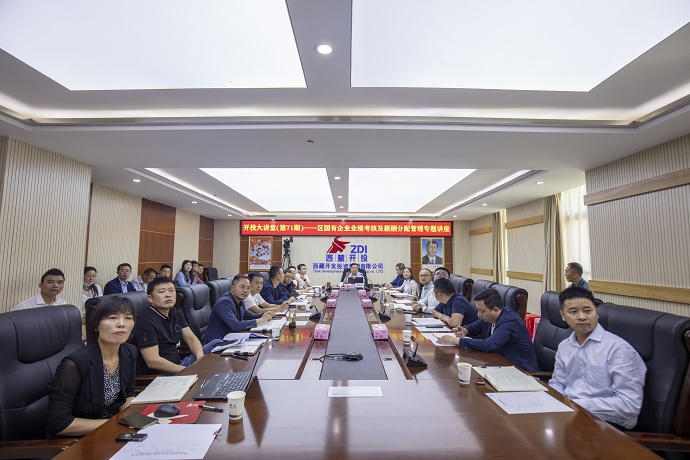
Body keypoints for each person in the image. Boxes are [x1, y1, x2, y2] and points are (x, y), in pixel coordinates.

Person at [549, 287, 646, 430]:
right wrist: (557, 402)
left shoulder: (618, 349)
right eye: (573, 312)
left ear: (596, 312)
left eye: (588, 311)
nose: (582, 317)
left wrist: (573, 404)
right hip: (571, 416)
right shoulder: (565, 346)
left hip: (608, 424)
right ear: (563, 315)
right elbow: (558, 382)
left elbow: (629, 405)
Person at [46, 296, 137, 436]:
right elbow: (58, 423)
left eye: (128, 318)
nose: (121, 324)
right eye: (112, 317)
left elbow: (128, 393)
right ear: (96, 326)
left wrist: (136, 421)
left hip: (114, 429)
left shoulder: (129, 352)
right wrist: (115, 424)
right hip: (81, 438)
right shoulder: (74, 365)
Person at [439, 289, 539, 371]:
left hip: (522, 371)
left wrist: (458, 341)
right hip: (501, 364)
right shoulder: (492, 316)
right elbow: (476, 325)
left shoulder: (509, 322)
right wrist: (465, 330)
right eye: (478, 310)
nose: (479, 315)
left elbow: (489, 345)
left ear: (495, 310)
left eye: (481, 311)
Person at [134, 277, 218, 375]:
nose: (168, 295)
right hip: (164, 373)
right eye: (162, 292)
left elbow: (191, 339)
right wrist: (188, 371)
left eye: (171, 290)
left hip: (181, 365)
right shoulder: (146, 321)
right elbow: (153, 361)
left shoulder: (174, 312)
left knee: (216, 343)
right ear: (150, 298)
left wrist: (200, 359)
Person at [203, 274, 275, 343]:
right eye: (242, 287)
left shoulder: (240, 300)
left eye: (248, 288)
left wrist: (265, 315)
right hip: (217, 343)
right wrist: (261, 320)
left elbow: (249, 316)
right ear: (232, 288)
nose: (245, 291)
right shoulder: (224, 303)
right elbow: (235, 325)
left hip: (231, 339)